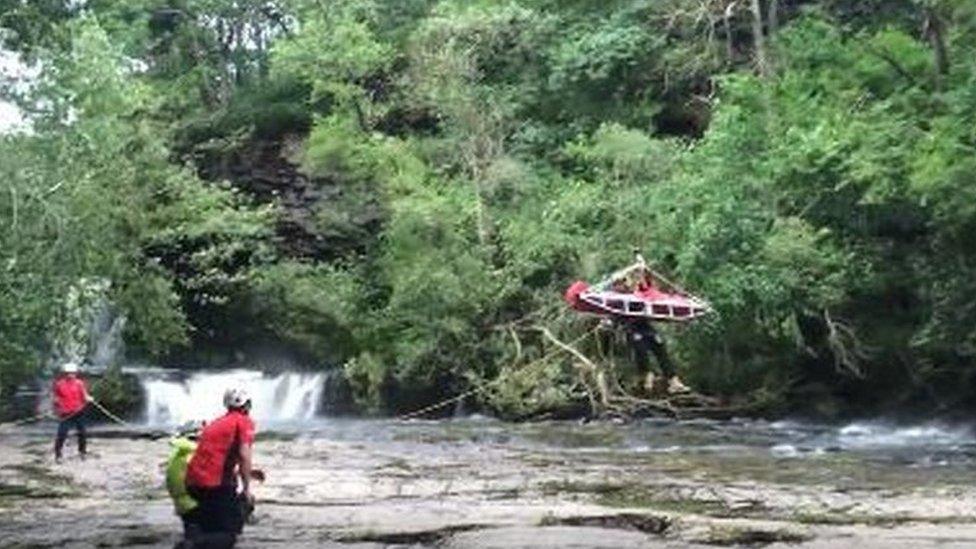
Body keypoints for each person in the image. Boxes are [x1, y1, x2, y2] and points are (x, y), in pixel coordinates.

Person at [183, 388, 257, 549]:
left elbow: (215, 454)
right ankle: (191, 545)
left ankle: (194, 537)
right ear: (247, 405)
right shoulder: (244, 421)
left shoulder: (217, 422)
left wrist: (245, 472)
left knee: (209, 527)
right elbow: (244, 455)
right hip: (215, 485)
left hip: (192, 482)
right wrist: (246, 489)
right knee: (228, 536)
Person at [52, 362, 92, 462]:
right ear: (65, 373)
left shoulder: (79, 383)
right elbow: (55, 396)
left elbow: (84, 395)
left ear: (76, 373)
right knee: (62, 433)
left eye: (73, 373)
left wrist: (88, 398)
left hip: (79, 411)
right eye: (68, 373)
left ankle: (82, 452)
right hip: (66, 412)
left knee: (82, 433)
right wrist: (56, 403)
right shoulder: (59, 384)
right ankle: (58, 454)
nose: (71, 375)